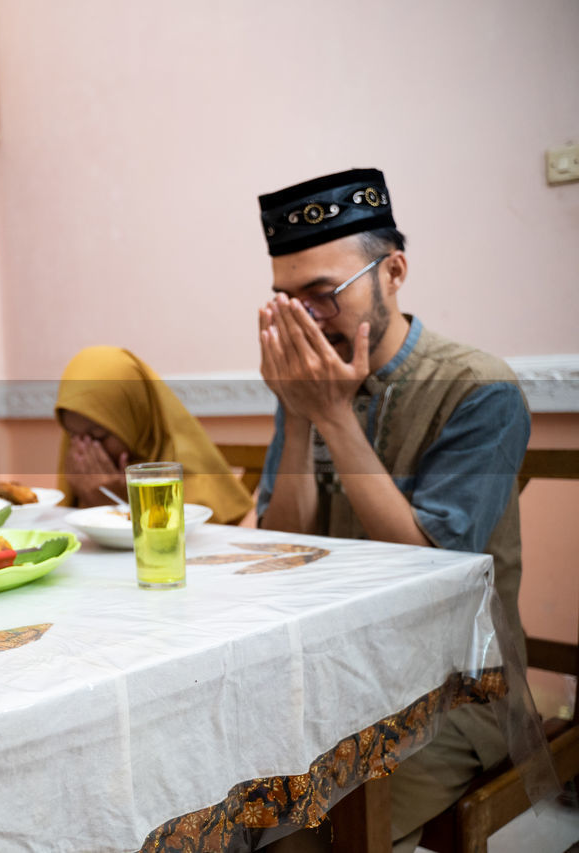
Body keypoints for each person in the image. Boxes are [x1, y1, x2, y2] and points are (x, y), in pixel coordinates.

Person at [253, 168, 530, 852]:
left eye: (322, 294)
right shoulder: (308, 385)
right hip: (336, 673)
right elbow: (282, 547)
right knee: (218, 800)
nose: (306, 318)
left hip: (460, 688)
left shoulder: (478, 388)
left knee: (306, 835)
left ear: (394, 271)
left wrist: (332, 417)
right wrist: (297, 412)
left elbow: (434, 570)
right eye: (287, 301)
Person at [55, 345, 254, 523]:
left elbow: (190, 544)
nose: (84, 450)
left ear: (136, 418)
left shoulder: (188, 475)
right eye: (73, 436)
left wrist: (119, 505)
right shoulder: (80, 468)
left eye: (98, 436)